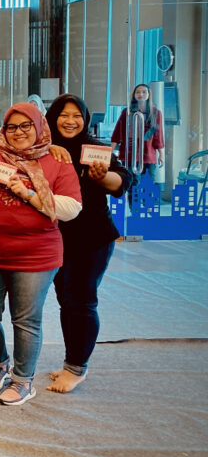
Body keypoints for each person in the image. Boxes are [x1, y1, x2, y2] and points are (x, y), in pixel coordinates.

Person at [0, 102, 82, 406]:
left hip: (36, 255)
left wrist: (30, 194)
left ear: (38, 127)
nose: (18, 132)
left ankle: (23, 380)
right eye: (12, 127)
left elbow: (72, 208)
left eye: (26, 126)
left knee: (25, 320)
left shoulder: (55, 158)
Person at [45, 94, 132, 393]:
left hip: (92, 238)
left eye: (77, 116)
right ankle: (72, 361)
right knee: (66, 301)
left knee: (82, 302)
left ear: (85, 119)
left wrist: (103, 177)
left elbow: (124, 180)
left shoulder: (93, 149)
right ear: (52, 117)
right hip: (56, 239)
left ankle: (76, 368)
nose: (70, 121)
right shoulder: (43, 148)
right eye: (63, 115)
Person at [111, 83, 164, 183]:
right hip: (129, 154)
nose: (141, 94)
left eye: (144, 92)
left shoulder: (155, 113)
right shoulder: (127, 112)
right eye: (138, 92)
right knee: (130, 183)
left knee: (147, 184)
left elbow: (158, 135)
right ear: (134, 95)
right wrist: (110, 152)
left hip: (148, 154)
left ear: (149, 94)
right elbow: (118, 132)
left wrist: (161, 154)